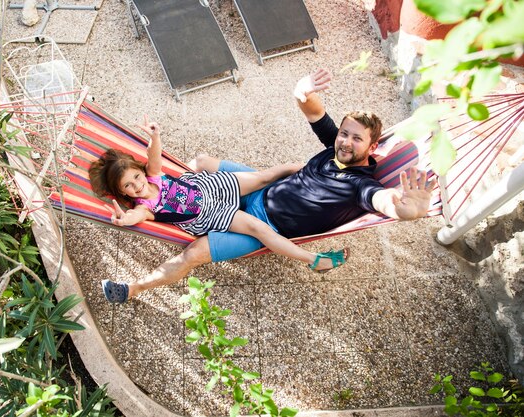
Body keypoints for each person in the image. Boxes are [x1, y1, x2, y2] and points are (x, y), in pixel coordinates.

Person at [99, 69, 436, 304]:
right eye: (344, 133)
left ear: (372, 148)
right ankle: (183, 204)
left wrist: (409, 209)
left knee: (192, 254)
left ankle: (133, 288)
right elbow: (312, 108)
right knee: (202, 161)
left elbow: (385, 201)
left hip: (264, 225)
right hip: (243, 190)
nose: (345, 141)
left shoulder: (360, 185)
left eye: (356, 138)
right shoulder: (336, 146)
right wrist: (302, 89)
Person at [89, 116, 350, 302]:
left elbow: (153, 156)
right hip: (213, 213)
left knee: (271, 174)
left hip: (213, 185)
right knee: (258, 228)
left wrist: (155, 136)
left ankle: (324, 173)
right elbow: (137, 215)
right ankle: (314, 260)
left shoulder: (153, 175)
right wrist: (125, 219)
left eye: (136, 177)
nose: (136, 185)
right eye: (128, 186)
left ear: (140, 172)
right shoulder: (144, 206)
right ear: (122, 192)